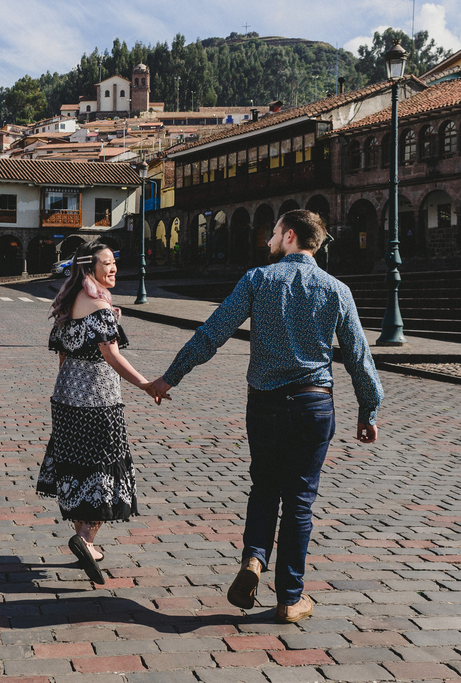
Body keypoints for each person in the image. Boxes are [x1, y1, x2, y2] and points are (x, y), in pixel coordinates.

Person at [146, 210, 383, 623]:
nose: (269, 240)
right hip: (313, 404)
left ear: (290, 236)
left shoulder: (258, 279)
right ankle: (290, 598)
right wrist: (369, 408)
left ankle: (253, 559)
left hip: (265, 404)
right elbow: (358, 356)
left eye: (274, 233)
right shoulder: (336, 289)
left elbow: (213, 332)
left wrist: (171, 377)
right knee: (299, 503)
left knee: (264, 488)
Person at [39, 240, 160, 585]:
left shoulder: (69, 301)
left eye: (114, 263)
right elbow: (112, 355)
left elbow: (62, 356)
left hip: (65, 400)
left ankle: (85, 542)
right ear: (89, 267)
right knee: (103, 466)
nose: (113, 269)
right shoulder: (100, 308)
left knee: (78, 465)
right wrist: (146, 384)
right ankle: (87, 540)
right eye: (106, 263)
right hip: (99, 401)